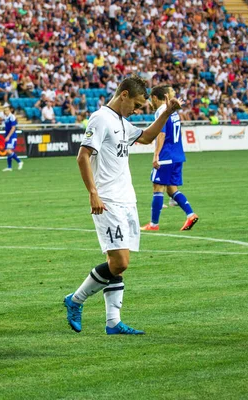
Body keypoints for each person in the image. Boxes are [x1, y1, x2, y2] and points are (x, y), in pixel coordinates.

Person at [63, 75, 183, 335]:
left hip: (127, 199)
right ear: (124, 94)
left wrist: (166, 113)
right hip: (108, 201)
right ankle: (75, 300)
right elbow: (82, 157)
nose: (138, 110)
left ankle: (112, 322)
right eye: (137, 104)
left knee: (115, 260)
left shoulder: (121, 121)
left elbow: (148, 137)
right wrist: (93, 193)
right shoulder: (100, 118)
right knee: (120, 262)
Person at [141, 85, 199, 232]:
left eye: (151, 100)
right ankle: (190, 214)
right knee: (171, 189)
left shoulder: (162, 112)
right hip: (177, 154)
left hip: (166, 156)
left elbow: (161, 134)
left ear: (155, 97)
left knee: (157, 187)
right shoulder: (173, 112)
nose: (150, 104)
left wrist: (156, 155)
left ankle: (153, 224)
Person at [2, 105, 23, 172]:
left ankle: (19, 162)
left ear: (10, 110)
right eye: (5, 110)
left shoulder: (12, 117)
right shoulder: (6, 117)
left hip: (12, 136)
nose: (6, 111)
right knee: (8, 151)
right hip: (8, 135)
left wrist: (8, 136)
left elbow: (13, 128)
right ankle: (9, 167)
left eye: (7, 110)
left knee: (8, 150)